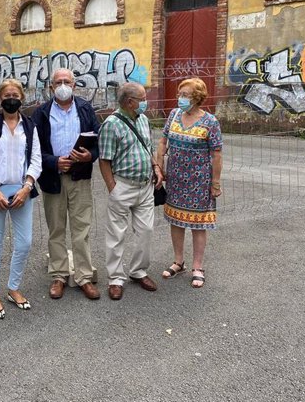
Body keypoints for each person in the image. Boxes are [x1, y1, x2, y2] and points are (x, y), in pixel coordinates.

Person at [31, 68, 101, 300]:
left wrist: (89, 156)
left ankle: (83, 277)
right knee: (56, 229)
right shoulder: (40, 113)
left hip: (80, 177)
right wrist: (53, 162)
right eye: (58, 82)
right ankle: (59, 275)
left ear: (74, 85)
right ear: (51, 87)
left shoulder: (85, 109)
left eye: (67, 81)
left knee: (82, 229)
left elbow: (98, 141)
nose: (63, 85)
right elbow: (33, 149)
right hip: (53, 178)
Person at [0, 78, 41, 319]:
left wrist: (27, 186)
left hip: (23, 190)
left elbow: (36, 159)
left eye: (15, 94)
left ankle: (13, 287)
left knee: (24, 243)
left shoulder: (30, 126)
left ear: (22, 98)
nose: (11, 98)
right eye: (6, 95)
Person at [98, 83, 164, 300]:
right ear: (129, 102)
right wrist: (113, 189)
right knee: (116, 234)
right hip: (122, 186)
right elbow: (105, 161)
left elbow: (149, 146)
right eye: (142, 98)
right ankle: (116, 279)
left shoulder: (143, 120)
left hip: (145, 185)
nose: (146, 102)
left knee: (146, 230)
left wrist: (155, 167)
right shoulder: (111, 125)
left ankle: (138, 271)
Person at [156, 78, 222, 288]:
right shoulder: (174, 115)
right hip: (175, 178)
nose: (181, 98)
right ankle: (178, 261)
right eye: (180, 94)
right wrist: (160, 165)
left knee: (198, 224)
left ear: (197, 97)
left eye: (185, 95)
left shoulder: (210, 122)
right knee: (176, 220)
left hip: (199, 180)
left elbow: (217, 154)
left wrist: (216, 182)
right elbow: (163, 140)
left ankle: (197, 266)